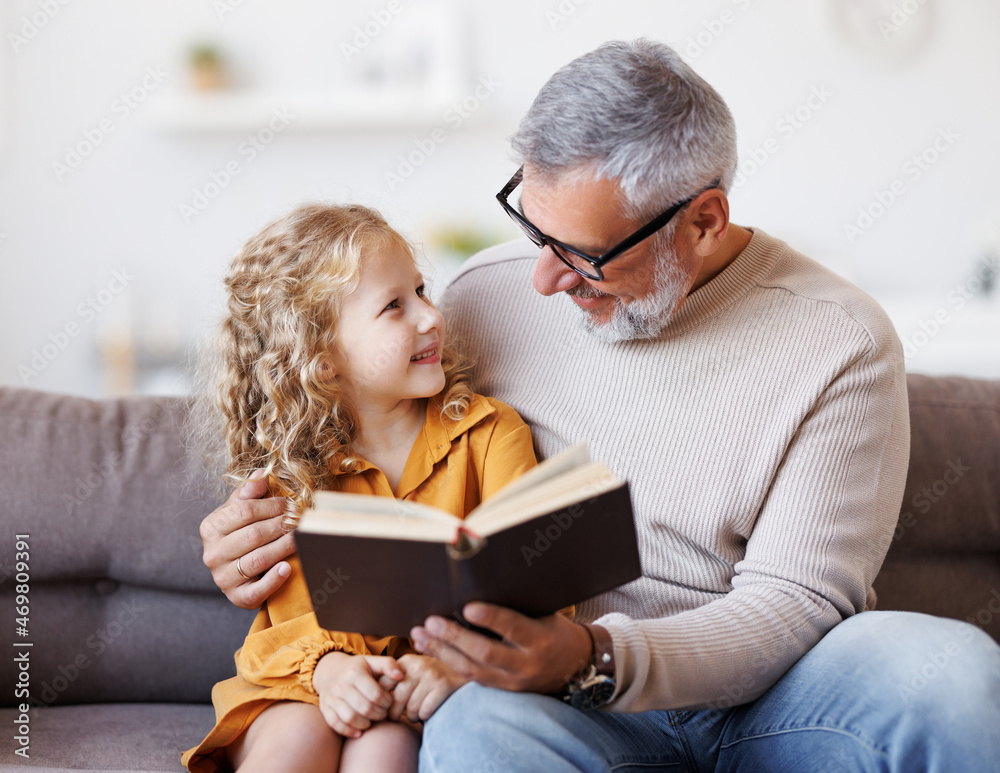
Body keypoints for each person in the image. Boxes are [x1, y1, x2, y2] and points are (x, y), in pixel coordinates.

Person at [198, 41, 1000, 772]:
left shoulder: (841, 340)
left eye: (581, 255)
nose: (541, 278)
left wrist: (592, 654)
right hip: (566, 715)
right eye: (530, 227)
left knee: (953, 675)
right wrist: (252, 535)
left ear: (703, 220)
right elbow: (347, 442)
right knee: (476, 727)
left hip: (771, 705)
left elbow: (796, 601)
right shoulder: (485, 296)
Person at [182, 203, 544, 773]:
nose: (430, 316)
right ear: (324, 361)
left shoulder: (491, 433)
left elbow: (533, 581)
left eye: (422, 290)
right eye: (394, 306)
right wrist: (329, 672)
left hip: (432, 682)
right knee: (298, 737)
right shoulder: (293, 469)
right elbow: (295, 621)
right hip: (307, 675)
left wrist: (455, 665)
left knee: (386, 748)